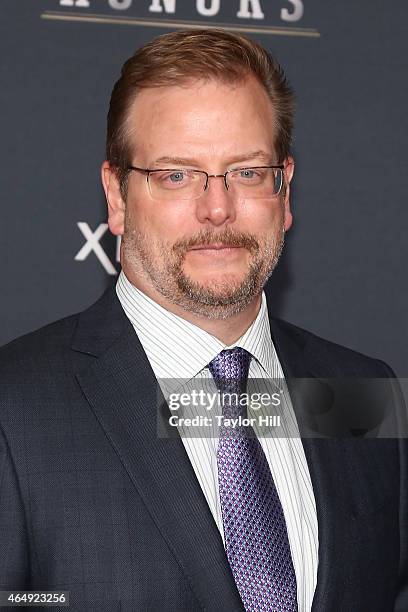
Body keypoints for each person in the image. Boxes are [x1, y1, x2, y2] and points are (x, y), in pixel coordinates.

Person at [0, 29, 407, 612]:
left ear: (283, 189)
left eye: (245, 171)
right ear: (116, 196)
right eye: (176, 175)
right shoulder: (13, 408)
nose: (217, 208)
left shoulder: (365, 395)